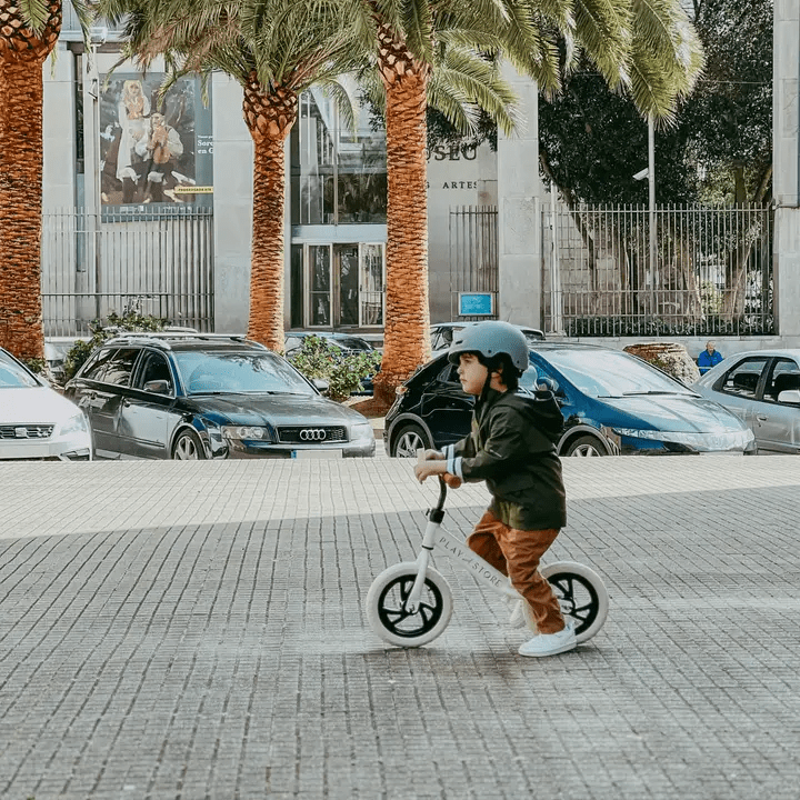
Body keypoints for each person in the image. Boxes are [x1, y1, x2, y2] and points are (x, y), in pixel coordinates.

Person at [414, 321, 575, 658]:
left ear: (498, 368)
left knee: (520, 568)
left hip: (534, 506)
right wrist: (444, 454)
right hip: (508, 502)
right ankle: (523, 593)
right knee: (480, 546)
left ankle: (556, 629)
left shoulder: (513, 411)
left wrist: (442, 468)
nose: (459, 370)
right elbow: (475, 443)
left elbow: (490, 461)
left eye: (467, 361)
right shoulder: (490, 405)